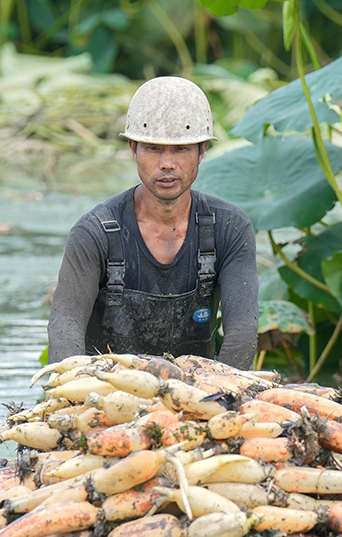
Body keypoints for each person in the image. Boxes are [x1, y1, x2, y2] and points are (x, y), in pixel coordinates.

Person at [47, 76, 258, 370]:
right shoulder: (94, 233)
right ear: (133, 149)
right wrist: (74, 388)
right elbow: (64, 327)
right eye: (153, 149)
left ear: (202, 150)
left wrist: (222, 397)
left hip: (197, 391)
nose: (167, 164)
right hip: (105, 393)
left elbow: (242, 335)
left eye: (181, 149)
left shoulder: (230, 229)